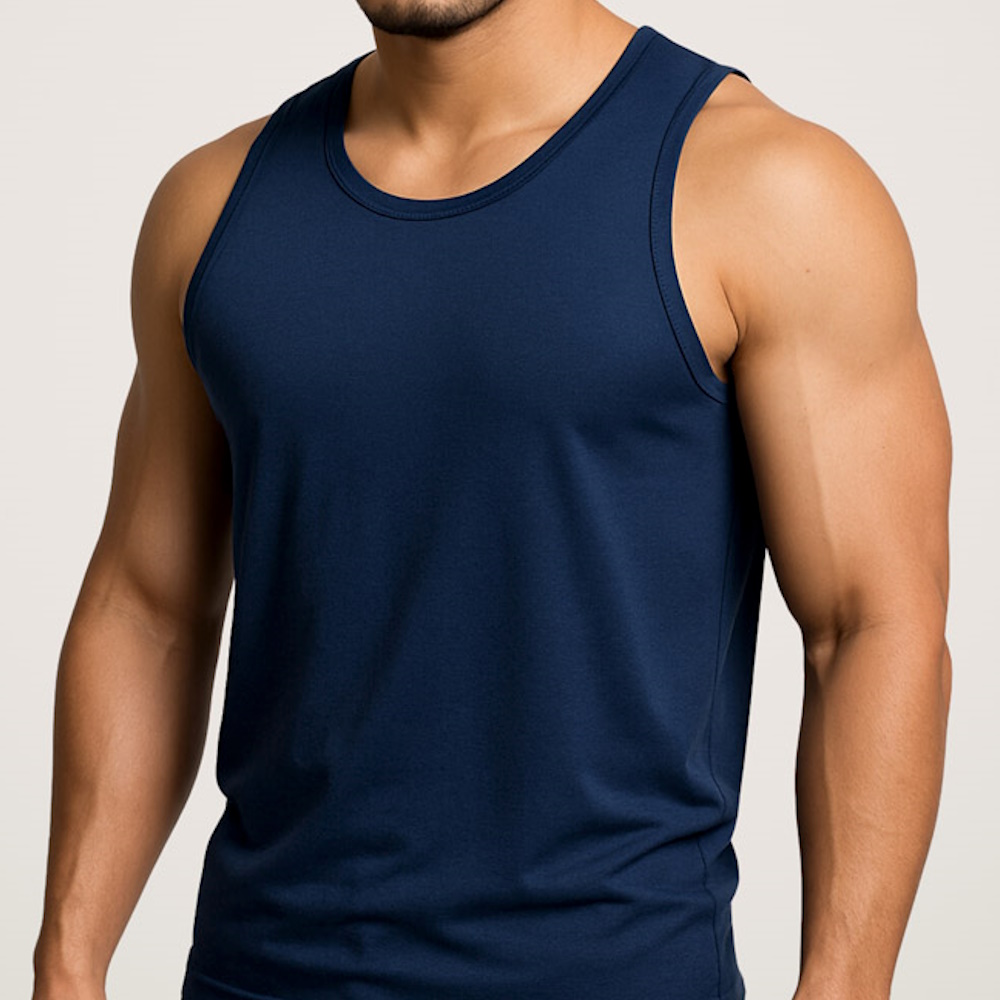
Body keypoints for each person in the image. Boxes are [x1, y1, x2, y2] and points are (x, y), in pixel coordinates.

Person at [31, 0, 952, 998]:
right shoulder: (215, 206)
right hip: (258, 973)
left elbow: (870, 624)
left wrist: (843, 983)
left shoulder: (766, 188)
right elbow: (148, 609)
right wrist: (67, 964)